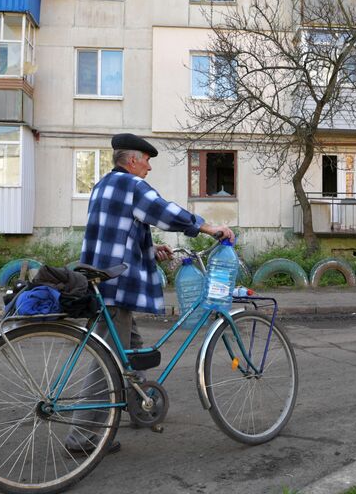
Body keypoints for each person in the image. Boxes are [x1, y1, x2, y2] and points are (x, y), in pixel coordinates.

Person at [66, 133, 234, 454]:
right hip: (116, 286)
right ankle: (82, 436)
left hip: (103, 281)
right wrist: (208, 227)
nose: (148, 168)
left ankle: (141, 407)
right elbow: (164, 211)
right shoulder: (133, 186)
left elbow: (117, 231)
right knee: (110, 362)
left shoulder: (104, 185)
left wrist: (149, 246)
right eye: (146, 161)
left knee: (134, 348)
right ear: (132, 160)